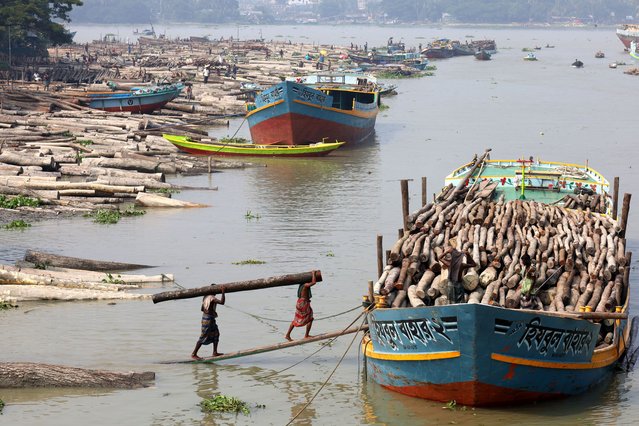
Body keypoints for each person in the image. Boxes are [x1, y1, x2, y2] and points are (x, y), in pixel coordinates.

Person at [191, 286, 226, 360]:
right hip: (208, 319)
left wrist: (209, 311)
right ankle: (194, 354)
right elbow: (222, 302)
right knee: (203, 336)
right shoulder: (212, 298)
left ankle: (215, 352)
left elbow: (202, 309)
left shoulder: (205, 297)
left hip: (208, 318)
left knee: (216, 333)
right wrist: (223, 291)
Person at [285, 271, 318, 341]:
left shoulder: (301, 285)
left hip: (299, 303)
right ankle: (306, 335)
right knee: (310, 318)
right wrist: (313, 273)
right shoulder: (305, 285)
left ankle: (288, 335)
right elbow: (314, 282)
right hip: (303, 304)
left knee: (296, 319)